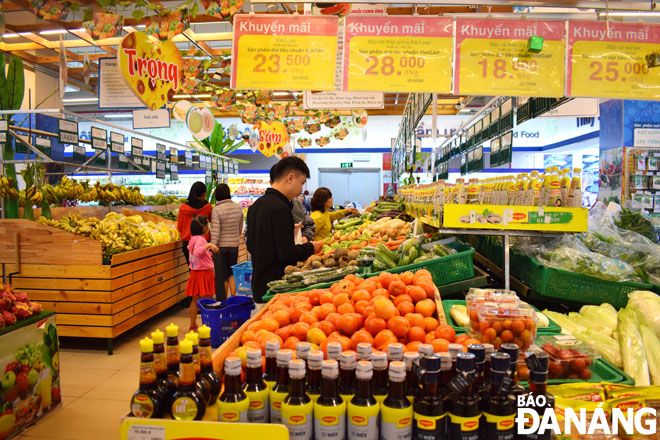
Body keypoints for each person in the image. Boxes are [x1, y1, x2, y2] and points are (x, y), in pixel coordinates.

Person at [247, 157, 323, 302]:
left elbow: (251, 244)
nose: (301, 190)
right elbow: (286, 254)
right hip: (277, 287)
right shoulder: (281, 208)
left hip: (259, 285)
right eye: (301, 183)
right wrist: (310, 248)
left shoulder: (256, 206)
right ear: (290, 178)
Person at [210, 183, 244, 301]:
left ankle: (223, 302)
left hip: (220, 247)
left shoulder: (216, 210)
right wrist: (236, 237)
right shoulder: (238, 207)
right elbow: (240, 226)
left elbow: (215, 231)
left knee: (221, 275)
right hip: (234, 245)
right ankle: (234, 297)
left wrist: (213, 245)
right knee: (231, 272)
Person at [185, 215, 219, 330]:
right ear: (204, 228)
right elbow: (198, 252)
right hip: (204, 272)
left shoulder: (193, 238)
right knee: (208, 298)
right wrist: (209, 245)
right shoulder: (200, 239)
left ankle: (193, 325)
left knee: (195, 299)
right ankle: (208, 324)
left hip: (195, 272)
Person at [177, 182, 212, 265]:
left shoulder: (183, 207)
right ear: (204, 194)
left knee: (192, 268)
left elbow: (179, 227)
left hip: (188, 243)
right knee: (203, 267)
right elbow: (211, 222)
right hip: (203, 242)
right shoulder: (207, 207)